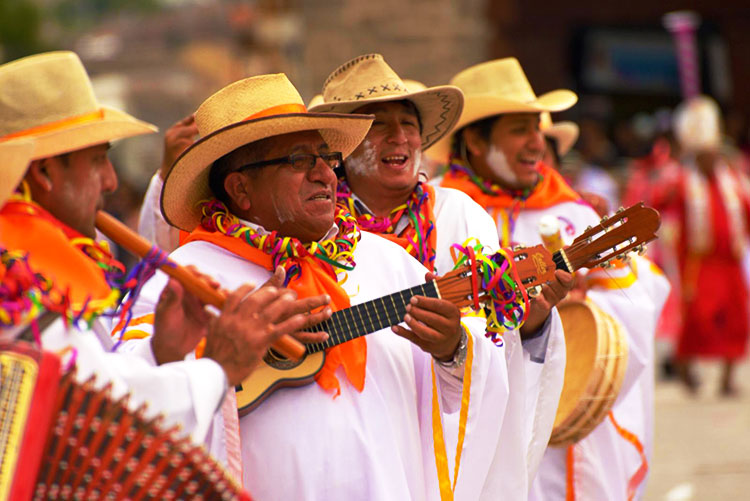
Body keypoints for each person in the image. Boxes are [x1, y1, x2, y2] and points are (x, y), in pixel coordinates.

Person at [119, 72, 526, 500]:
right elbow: (133, 398)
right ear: (241, 188)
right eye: (298, 160)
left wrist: (453, 351)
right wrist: (221, 353)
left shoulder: (386, 261)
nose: (326, 175)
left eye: (326, 157)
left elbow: (471, 386)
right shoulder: (185, 278)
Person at [0, 51, 327, 446]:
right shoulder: (19, 283)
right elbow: (102, 421)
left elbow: (97, 380)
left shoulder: (24, 266)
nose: (110, 182)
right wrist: (218, 367)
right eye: (99, 160)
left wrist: (160, 351)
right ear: (45, 173)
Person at [310, 53, 574, 497]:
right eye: (377, 125)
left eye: (408, 124)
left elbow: (498, 337)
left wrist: (516, 326)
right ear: (340, 146)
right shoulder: (313, 226)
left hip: (445, 438)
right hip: (344, 430)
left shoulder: (458, 214)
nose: (399, 138)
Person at [431, 57, 670, 500]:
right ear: (477, 143)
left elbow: (641, 297)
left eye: (538, 129)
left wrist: (579, 307)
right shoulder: (437, 214)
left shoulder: (575, 214)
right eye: (520, 129)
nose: (537, 143)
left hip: (563, 432)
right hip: (465, 421)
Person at [654, 96, 750, 396]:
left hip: (729, 262)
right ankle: (684, 370)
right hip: (698, 261)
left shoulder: (734, 181)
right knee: (697, 318)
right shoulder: (683, 181)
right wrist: (674, 169)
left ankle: (727, 378)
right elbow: (657, 201)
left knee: (737, 319)